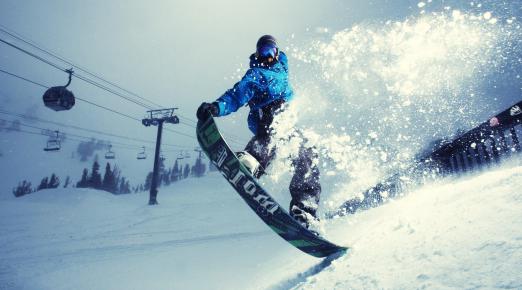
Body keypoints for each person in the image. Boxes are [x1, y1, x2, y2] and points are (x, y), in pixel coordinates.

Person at [196, 35, 321, 229]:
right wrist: (216, 107)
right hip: (267, 119)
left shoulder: (282, 67)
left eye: (270, 51)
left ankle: (305, 208)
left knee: (307, 151)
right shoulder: (256, 74)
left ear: (277, 53)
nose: (267, 56)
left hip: (287, 126)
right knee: (273, 125)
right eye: (262, 52)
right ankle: (252, 159)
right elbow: (236, 95)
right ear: (257, 54)